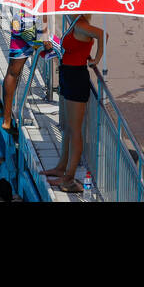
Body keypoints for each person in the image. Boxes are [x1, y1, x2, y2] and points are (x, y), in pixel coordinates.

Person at [44, 12, 105, 193]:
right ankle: (61, 167)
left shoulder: (81, 25)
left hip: (76, 77)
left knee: (75, 129)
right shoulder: (74, 22)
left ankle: (68, 176)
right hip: (67, 74)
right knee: (68, 127)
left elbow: (103, 34)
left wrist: (96, 59)